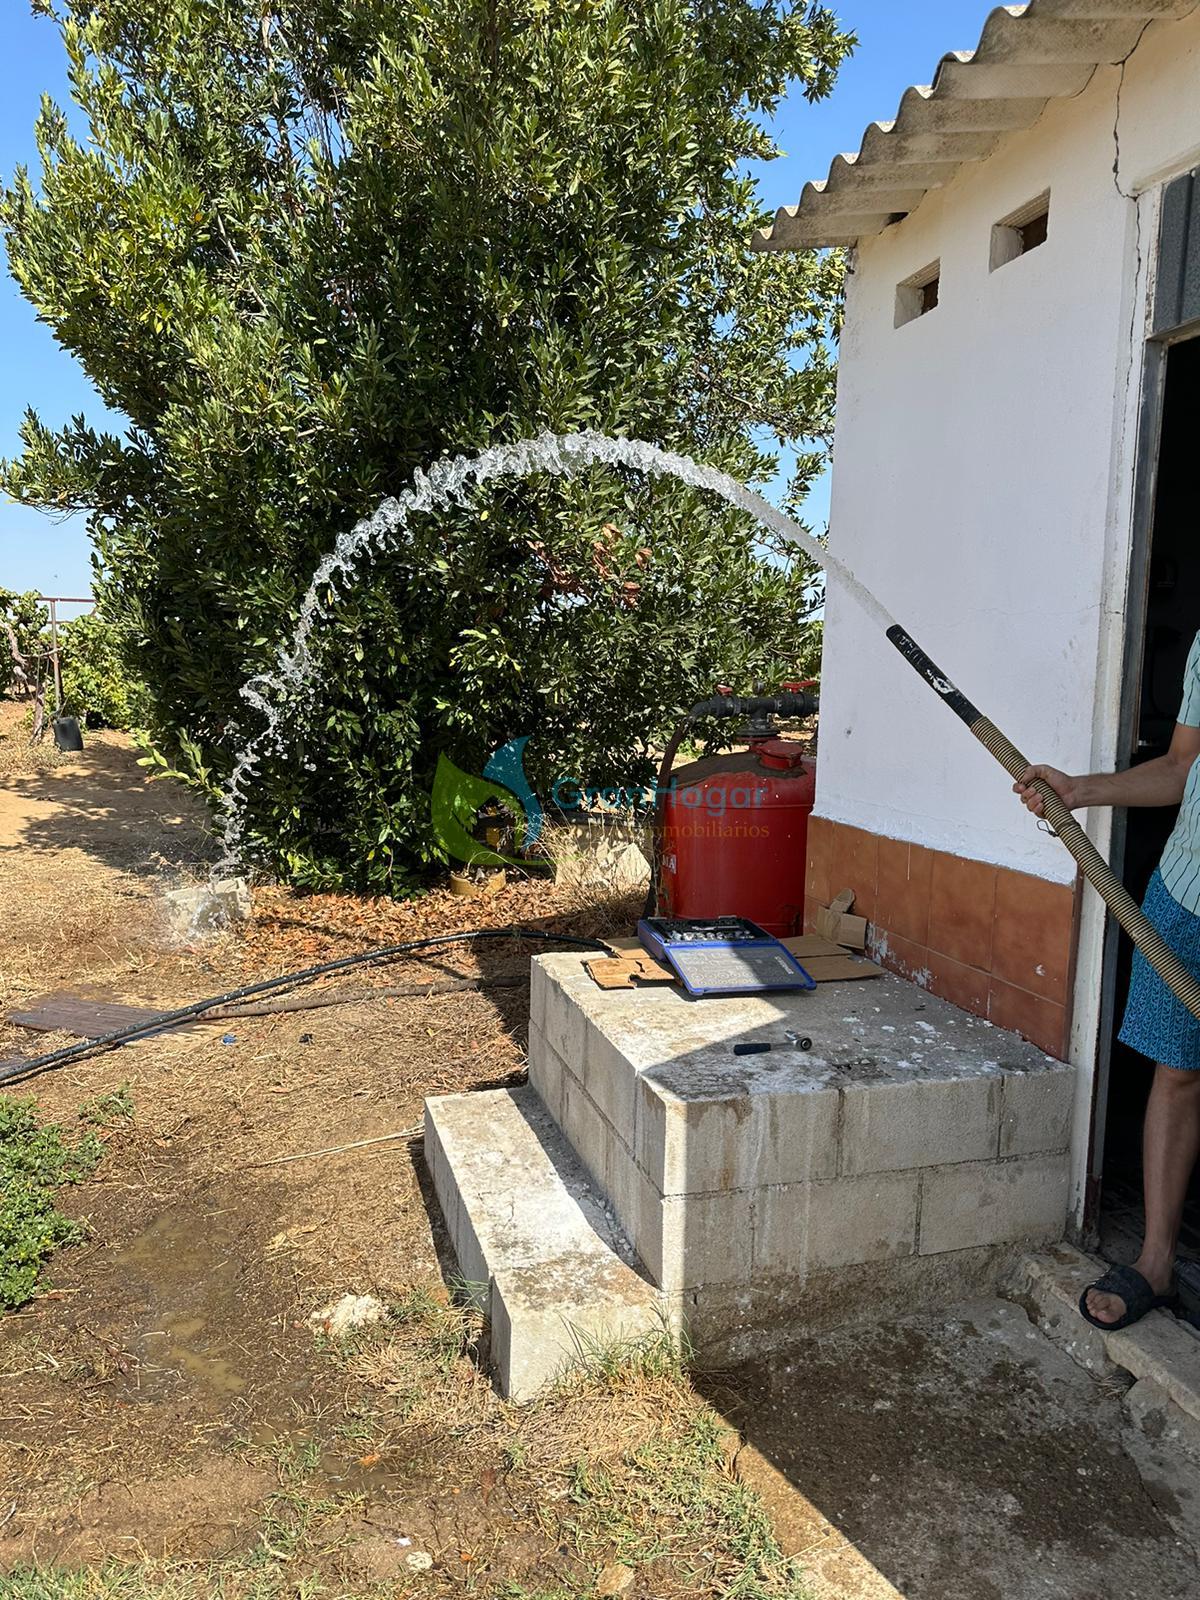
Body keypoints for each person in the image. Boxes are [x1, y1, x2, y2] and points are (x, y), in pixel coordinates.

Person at [1014, 631, 1200, 1331]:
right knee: (1178, 1072)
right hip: (1186, 893)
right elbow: (1184, 765)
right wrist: (1079, 790)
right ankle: (1157, 1260)